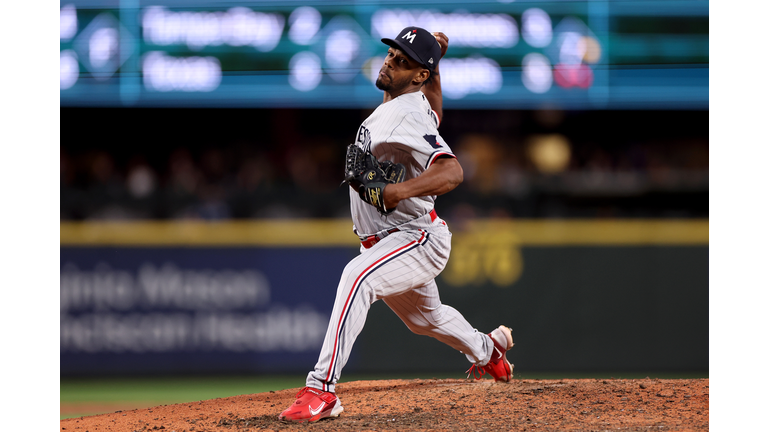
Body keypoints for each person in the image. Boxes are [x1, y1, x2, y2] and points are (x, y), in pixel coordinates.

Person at [279, 27, 514, 423]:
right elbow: (435, 113)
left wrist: (398, 191)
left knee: (357, 278)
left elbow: (452, 171)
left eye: (403, 61)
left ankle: (321, 389)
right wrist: (434, 66)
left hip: (415, 236)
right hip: (389, 240)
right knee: (428, 319)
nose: (390, 61)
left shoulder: (403, 111)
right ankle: (489, 351)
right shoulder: (409, 105)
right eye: (391, 53)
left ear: (417, 76)